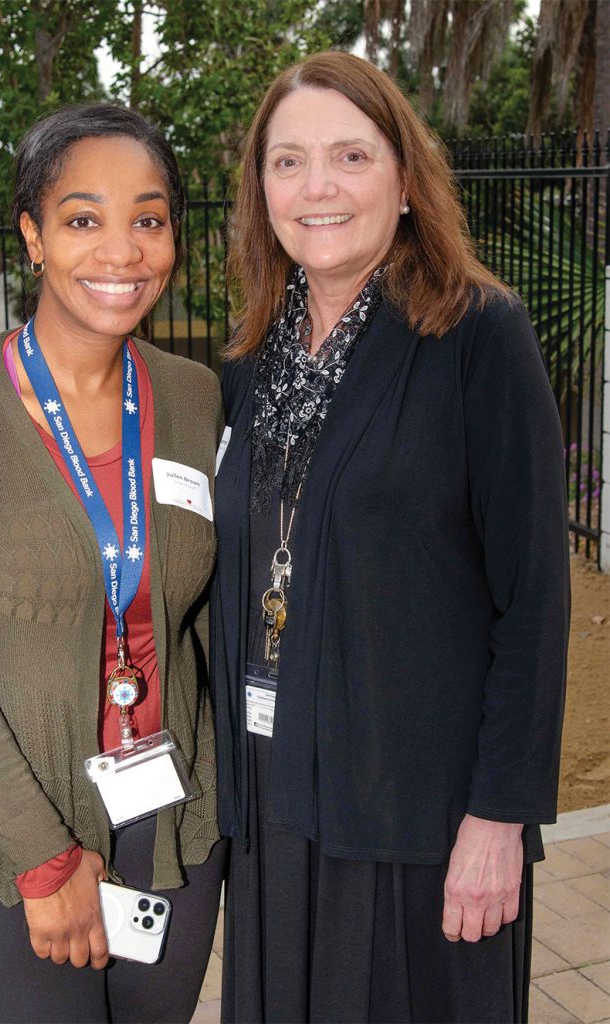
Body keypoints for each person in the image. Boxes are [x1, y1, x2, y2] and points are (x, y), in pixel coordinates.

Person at [211, 52, 568, 1024]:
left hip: (418, 813)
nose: (316, 186)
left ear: (404, 181)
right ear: (261, 193)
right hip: (274, 796)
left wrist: (498, 815)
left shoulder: (477, 335)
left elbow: (533, 596)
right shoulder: (248, 360)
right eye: (287, 162)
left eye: (349, 156)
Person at [0, 104, 225, 1024]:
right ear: (32, 234)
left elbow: (205, 605)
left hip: (175, 819)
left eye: (148, 219)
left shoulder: (193, 394)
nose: (122, 251)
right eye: (82, 218)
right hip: (22, 827)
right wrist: (45, 855)